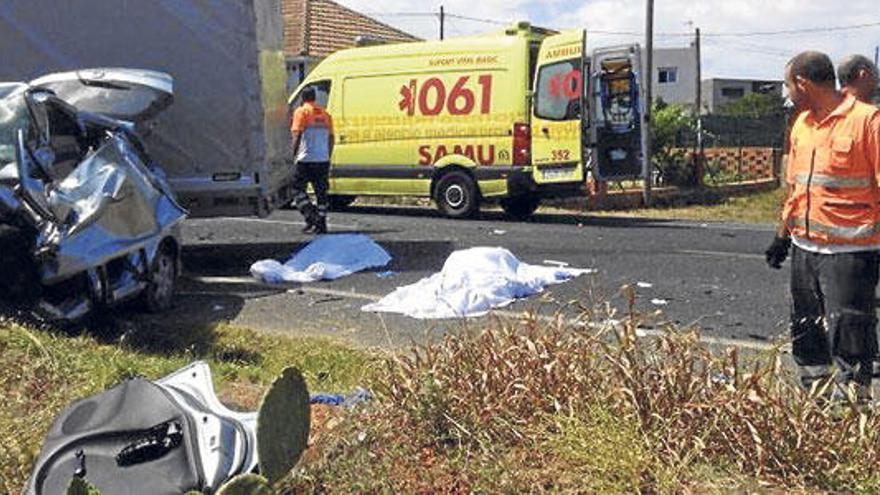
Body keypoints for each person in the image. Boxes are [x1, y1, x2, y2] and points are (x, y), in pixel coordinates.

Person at [765, 51, 880, 402]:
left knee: (850, 333)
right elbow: (796, 190)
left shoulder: (867, 122)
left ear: (803, 82)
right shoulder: (801, 124)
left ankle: (851, 416)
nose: (787, 93)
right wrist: (782, 237)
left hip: (851, 254)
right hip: (805, 250)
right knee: (806, 332)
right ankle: (814, 408)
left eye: (788, 85)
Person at [290, 86, 334, 234]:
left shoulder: (301, 112)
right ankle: (321, 222)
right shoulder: (326, 114)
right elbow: (331, 137)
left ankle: (310, 215)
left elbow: (297, 136)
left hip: (305, 159)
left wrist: (292, 155)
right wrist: (328, 155)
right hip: (322, 160)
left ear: (302, 99)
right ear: (315, 97)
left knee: (296, 189)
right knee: (321, 192)